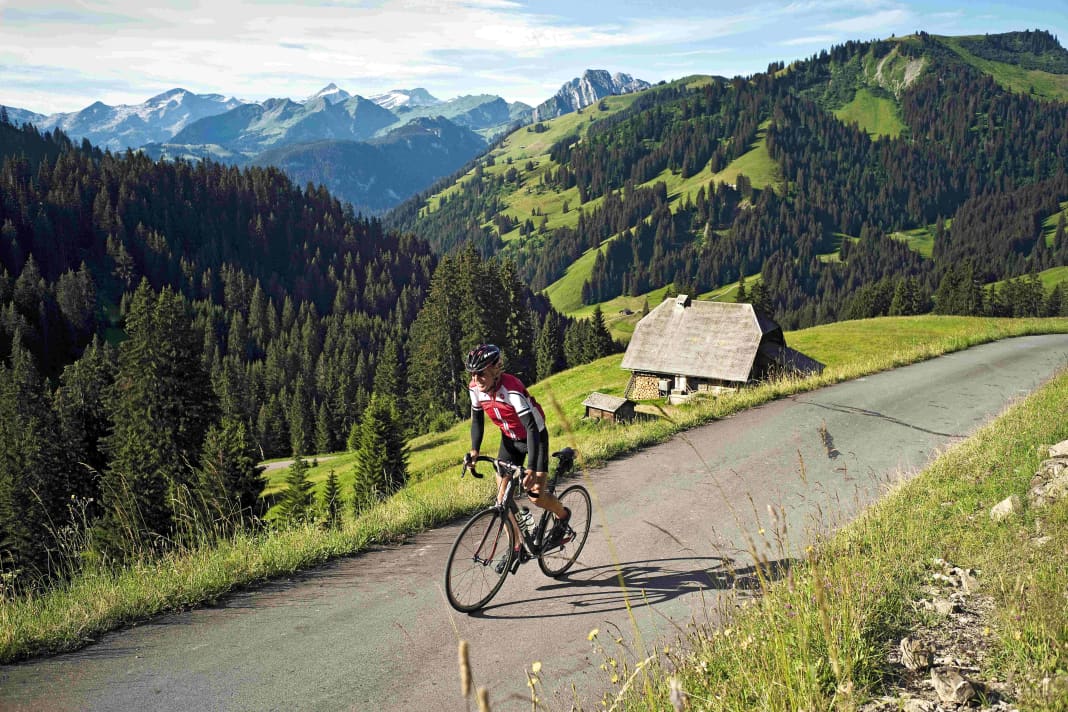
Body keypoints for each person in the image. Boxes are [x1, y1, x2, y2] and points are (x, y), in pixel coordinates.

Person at [464, 343, 571, 552]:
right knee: (502, 499)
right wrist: (475, 450)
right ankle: (516, 547)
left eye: (481, 374)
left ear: (496, 369)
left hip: (534, 438)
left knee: (536, 496)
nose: (476, 379)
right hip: (509, 440)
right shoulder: (475, 388)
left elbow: (531, 428)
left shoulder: (511, 390)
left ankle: (563, 516)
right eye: (472, 374)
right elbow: (477, 420)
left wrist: (530, 468)